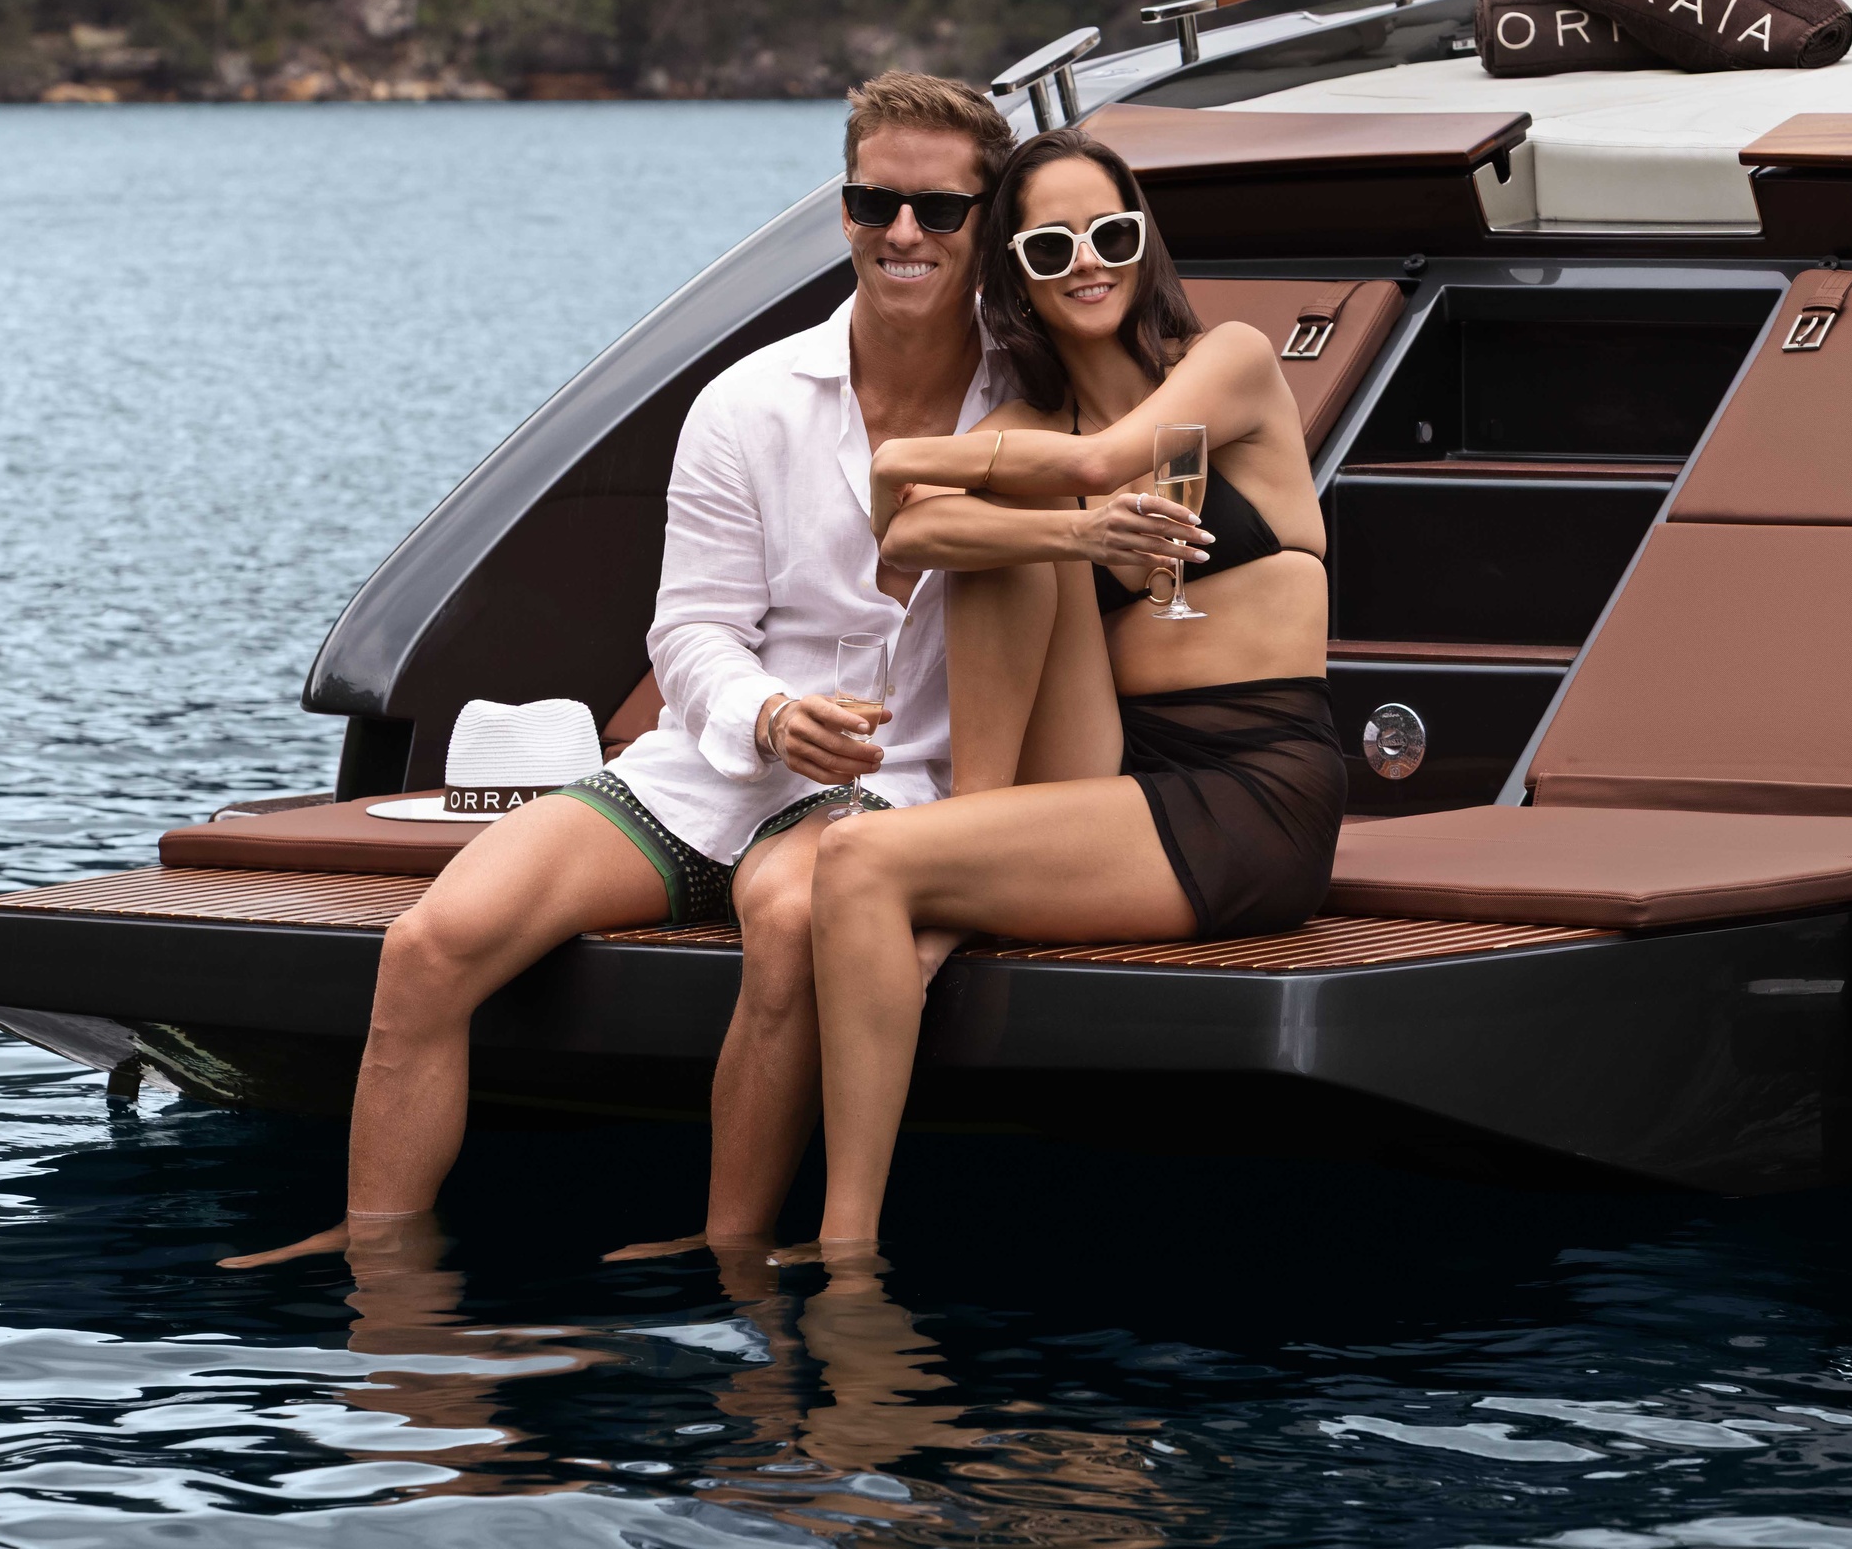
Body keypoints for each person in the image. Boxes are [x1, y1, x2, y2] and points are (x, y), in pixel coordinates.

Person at [224, 72, 1015, 1272]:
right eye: (875, 201)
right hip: (713, 772)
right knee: (429, 942)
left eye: (940, 209)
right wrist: (769, 713)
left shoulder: (1032, 407)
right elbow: (689, 631)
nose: (904, 231)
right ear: (844, 208)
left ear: (986, 220)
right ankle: (379, 1267)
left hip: (902, 780)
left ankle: (730, 1254)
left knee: (789, 914)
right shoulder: (746, 401)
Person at [794, 125, 1346, 1258]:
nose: (1087, 261)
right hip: (1117, 767)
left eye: (1111, 233)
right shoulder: (1029, 431)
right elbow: (910, 535)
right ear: (1016, 275)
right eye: (1051, 245)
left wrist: (913, 458)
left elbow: (1105, 462)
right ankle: (975, 836)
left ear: (1145, 243)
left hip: (1253, 787)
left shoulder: (1229, 361)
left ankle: (846, 1253)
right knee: (1008, 543)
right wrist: (1056, 527)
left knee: (857, 861)